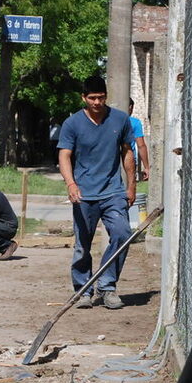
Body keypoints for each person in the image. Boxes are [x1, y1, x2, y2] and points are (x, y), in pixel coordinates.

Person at [58, 75, 135, 310]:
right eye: (92, 98)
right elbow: (64, 155)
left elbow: (127, 153)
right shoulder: (72, 124)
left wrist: (131, 186)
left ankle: (108, 286)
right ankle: (83, 290)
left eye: (101, 97)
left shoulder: (120, 120)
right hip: (83, 194)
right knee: (83, 244)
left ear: (106, 97)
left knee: (122, 234)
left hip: (113, 192)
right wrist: (71, 184)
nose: (97, 102)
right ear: (84, 98)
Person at [129, 98, 150, 181]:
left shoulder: (108, 120)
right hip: (130, 160)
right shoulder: (135, 122)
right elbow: (141, 145)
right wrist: (146, 167)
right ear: (130, 107)